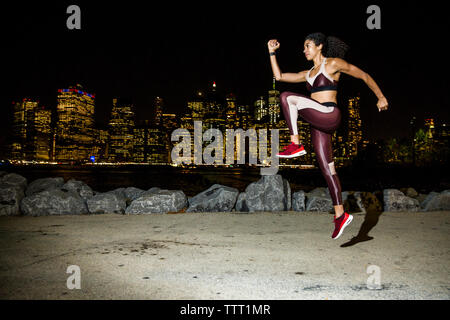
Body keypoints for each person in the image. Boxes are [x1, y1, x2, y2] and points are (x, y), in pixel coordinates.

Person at [268, 32, 388, 239]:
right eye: (304, 47)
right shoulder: (308, 73)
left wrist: (381, 97)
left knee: (287, 97)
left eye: (308, 46)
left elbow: (364, 76)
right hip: (318, 123)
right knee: (327, 169)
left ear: (319, 46)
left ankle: (295, 142)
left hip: (330, 114)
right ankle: (340, 215)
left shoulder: (333, 64)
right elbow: (279, 77)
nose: (304, 50)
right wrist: (271, 53)